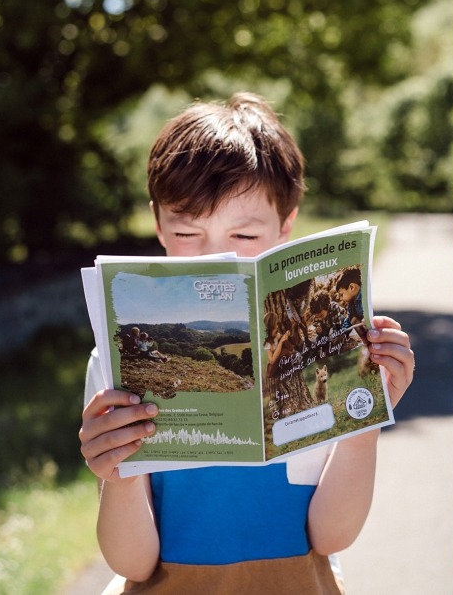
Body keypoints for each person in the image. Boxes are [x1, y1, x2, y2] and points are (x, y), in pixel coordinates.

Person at [77, 92, 415, 592]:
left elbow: (330, 535)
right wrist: (117, 476)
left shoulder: (318, 348)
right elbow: (133, 564)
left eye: (245, 238)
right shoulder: (115, 358)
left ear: (286, 224)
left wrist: (365, 422)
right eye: (189, 233)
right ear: (158, 223)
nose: (216, 258)